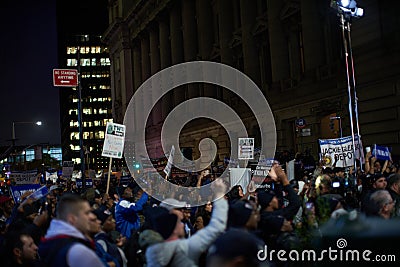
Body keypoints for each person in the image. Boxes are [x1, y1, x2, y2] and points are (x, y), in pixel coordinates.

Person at [145, 178, 228, 267]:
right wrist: (219, 194)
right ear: (172, 228)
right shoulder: (183, 248)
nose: (182, 224)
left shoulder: (152, 251)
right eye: (179, 223)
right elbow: (216, 226)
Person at [38, 193, 105, 267]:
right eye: (87, 213)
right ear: (72, 219)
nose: (92, 216)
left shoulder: (52, 242)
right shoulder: (79, 252)